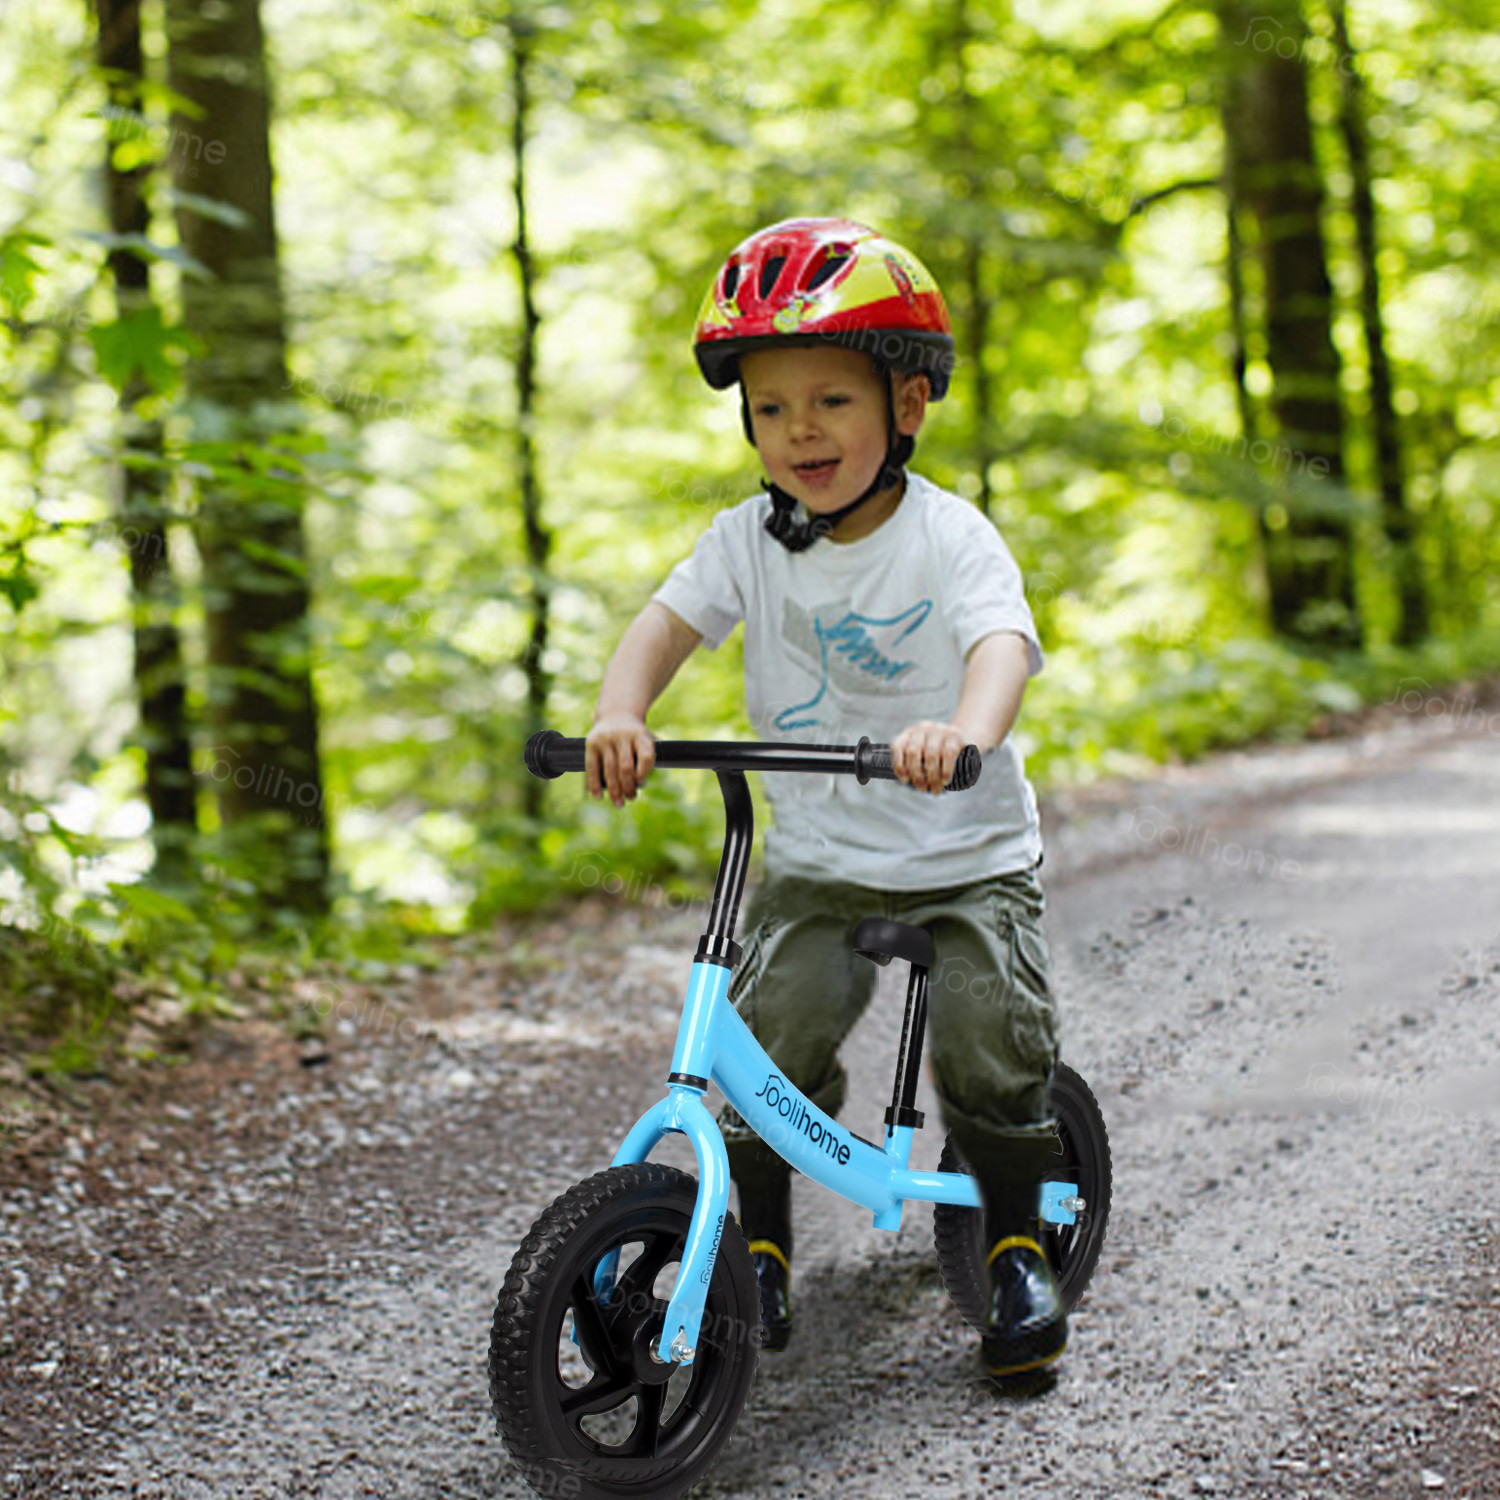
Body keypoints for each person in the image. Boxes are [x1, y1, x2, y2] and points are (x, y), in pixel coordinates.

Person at [584, 216, 1068, 1384]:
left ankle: (1015, 1242)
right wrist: (621, 710)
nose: (798, 428)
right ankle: (759, 1248)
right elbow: (665, 625)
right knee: (770, 1040)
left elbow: (1000, 645)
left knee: (989, 1048)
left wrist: (964, 733)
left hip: (962, 856)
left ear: (906, 404)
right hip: (818, 861)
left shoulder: (949, 536)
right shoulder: (746, 543)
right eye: (770, 407)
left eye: (831, 401)